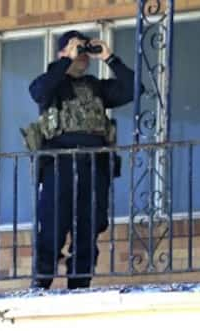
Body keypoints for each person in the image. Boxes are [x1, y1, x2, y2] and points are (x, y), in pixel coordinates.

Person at [28, 30, 142, 290]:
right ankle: (41, 285)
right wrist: (66, 60)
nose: (82, 57)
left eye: (83, 52)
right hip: (60, 165)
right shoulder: (51, 84)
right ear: (61, 54)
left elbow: (134, 88)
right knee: (53, 226)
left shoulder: (96, 87)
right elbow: (38, 91)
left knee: (88, 228)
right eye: (75, 51)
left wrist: (110, 58)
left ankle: (80, 284)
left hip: (94, 167)